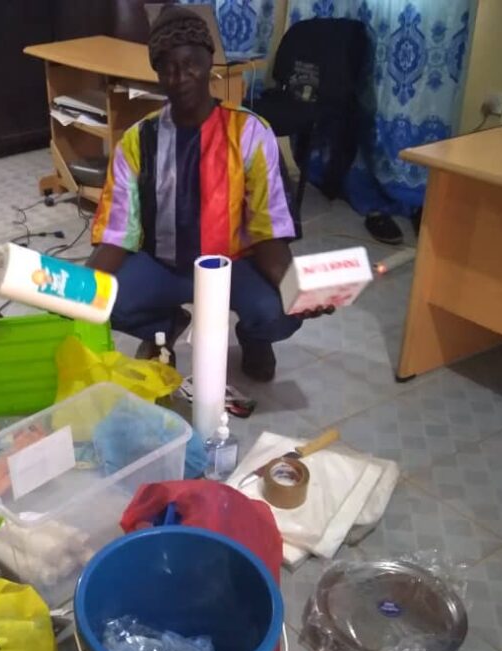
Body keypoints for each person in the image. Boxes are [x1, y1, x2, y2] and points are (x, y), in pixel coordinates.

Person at [88, 6, 332, 382]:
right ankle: (164, 327)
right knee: (103, 302)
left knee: (278, 311)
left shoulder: (250, 133)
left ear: (210, 62)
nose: (180, 77)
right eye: (167, 68)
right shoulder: (137, 141)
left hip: (234, 265)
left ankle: (254, 337)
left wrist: (297, 290)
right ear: (157, 74)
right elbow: (117, 236)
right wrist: (72, 290)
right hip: (163, 264)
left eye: (191, 64)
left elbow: (268, 234)